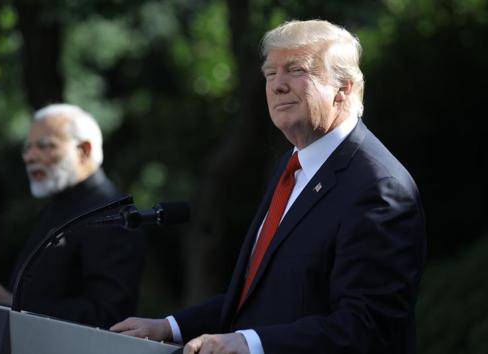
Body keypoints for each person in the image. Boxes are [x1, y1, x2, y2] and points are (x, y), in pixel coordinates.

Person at [111, 19, 426, 353]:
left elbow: (367, 328)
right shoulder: (291, 166)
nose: (277, 85)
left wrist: (251, 343)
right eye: (270, 74)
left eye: (295, 70)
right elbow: (257, 295)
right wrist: (169, 327)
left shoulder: (378, 187)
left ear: (343, 88)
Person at [0, 103, 145, 328]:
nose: (30, 157)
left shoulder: (113, 213)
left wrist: (12, 302)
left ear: (84, 150)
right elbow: (40, 292)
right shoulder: (56, 207)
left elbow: (109, 315)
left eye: (45, 146)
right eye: (27, 148)